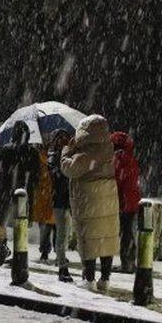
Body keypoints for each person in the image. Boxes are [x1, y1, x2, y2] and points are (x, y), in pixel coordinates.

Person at [61, 115, 120, 291]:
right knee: (106, 240)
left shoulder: (87, 153)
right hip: (108, 198)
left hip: (89, 199)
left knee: (89, 240)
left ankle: (89, 279)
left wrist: (66, 151)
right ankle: (105, 279)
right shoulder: (107, 148)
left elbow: (70, 169)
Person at [0, 120, 38, 266]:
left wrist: (0, 180)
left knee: (0, 222)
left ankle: (2, 248)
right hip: (23, 194)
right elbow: (36, 175)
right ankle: (19, 253)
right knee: (21, 224)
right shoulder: (32, 152)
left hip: (5, 191)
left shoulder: (6, 149)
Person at [111, 131, 142, 274]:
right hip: (132, 201)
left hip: (123, 201)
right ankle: (131, 261)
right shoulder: (131, 158)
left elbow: (117, 180)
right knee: (129, 232)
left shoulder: (118, 158)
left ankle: (126, 264)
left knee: (124, 234)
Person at [48, 129, 74, 282]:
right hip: (60, 199)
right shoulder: (54, 157)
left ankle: (62, 261)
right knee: (61, 233)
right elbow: (58, 177)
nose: (63, 141)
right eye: (60, 138)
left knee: (65, 233)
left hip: (69, 198)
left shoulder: (68, 155)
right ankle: (62, 266)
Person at [32, 144, 56, 262]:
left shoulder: (43, 158)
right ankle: (47, 252)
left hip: (49, 197)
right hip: (47, 197)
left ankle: (50, 252)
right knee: (49, 228)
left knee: (50, 228)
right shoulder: (41, 158)